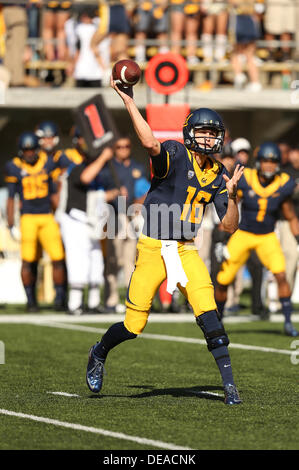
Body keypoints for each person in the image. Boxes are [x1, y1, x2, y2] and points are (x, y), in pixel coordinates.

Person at [86, 77, 245, 405]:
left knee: (209, 312)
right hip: (154, 247)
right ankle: (100, 351)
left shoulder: (218, 174)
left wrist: (233, 197)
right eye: (203, 131)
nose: (208, 137)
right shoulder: (174, 151)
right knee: (134, 325)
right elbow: (150, 145)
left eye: (213, 133)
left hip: (186, 249)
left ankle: (230, 386)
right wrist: (130, 101)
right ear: (189, 133)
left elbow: (229, 226)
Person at [215, 142, 299, 337]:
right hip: (243, 234)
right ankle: (217, 322)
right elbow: (231, 207)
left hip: (267, 236)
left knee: (280, 275)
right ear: (259, 162)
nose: (269, 165)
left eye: (273, 161)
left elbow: (290, 215)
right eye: (265, 161)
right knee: (223, 279)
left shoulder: (284, 183)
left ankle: (287, 322)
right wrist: (221, 237)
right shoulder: (247, 178)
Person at [4, 131, 68, 312]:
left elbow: (55, 191)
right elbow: (11, 197)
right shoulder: (14, 166)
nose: (30, 153)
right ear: (21, 151)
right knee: (28, 260)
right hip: (28, 217)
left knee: (57, 258)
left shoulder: (48, 163)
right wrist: (10, 223)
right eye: (26, 150)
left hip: (47, 215)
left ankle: (60, 299)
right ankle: (31, 301)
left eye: (32, 149)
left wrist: (60, 213)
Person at [59, 131, 119, 315]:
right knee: (79, 261)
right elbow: (85, 178)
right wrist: (103, 157)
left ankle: (93, 302)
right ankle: (75, 304)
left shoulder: (99, 172)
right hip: (75, 219)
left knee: (95, 261)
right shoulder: (77, 167)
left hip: (91, 221)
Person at [100, 136, 149, 312]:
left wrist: (139, 202)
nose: (123, 149)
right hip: (114, 215)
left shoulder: (137, 167)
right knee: (113, 260)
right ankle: (111, 300)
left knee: (130, 260)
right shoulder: (108, 168)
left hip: (130, 216)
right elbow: (100, 191)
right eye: (119, 146)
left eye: (126, 146)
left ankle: (131, 299)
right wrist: (114, 193)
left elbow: (144, 189)